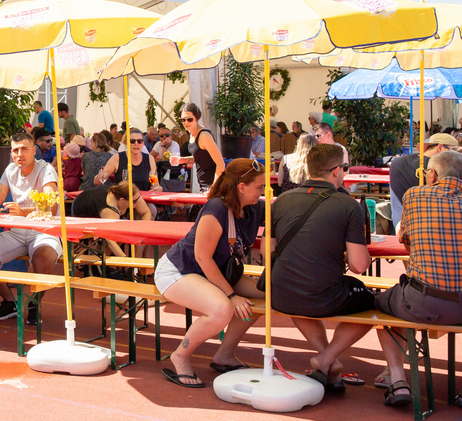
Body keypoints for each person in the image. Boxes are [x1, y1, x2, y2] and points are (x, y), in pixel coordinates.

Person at [268, 144, 374, 394]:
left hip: (282, 293)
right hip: (322, 296)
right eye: (345, 168)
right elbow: (359, 266)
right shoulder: (347, 204)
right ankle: (325, 359)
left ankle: (330, 363)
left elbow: (268, 251)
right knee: (374, 304)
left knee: (302, 298)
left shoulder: (281, 200)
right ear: (336, 171)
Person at [154, 159, 266, 387]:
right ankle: (180, 356)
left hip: (217, 273)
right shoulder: (217, 208)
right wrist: (231, 295)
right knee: (222, 309)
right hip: (179, 271)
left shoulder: (256, 208)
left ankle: (224, 355)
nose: (263, 191)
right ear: (241, 187)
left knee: (265, 295)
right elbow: (203, 258)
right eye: (260, 187)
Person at [374, 150, 462, 407]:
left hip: (424, 301)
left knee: (381, 305)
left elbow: (406, 242)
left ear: (432, 174)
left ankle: (398, 380)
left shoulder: (415, 196)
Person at [0, 132, 63, 324]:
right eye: (15, 150)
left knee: (42, 259)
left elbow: (51, 207)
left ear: (34, 151)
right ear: (11, 153)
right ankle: (10, 302)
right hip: (18, 231)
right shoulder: (10, 169)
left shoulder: (45, 169)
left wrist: (23, 211)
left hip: (45, 230)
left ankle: (35, 303)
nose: (20, 154)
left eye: (24, 149)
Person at [388, 133, 458, 228]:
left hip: (398, 223)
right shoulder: (438, 168)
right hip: (427, 225)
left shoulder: (397, 162)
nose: (455, 156)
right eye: (453, 151)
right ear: (440, 147)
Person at [95, 127, 160, 220]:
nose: (136, 144)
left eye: (139, 141)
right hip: (123, 201)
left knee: (150, 209)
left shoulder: (149, 159)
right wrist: (101, 175)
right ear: (127, 143)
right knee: (148, 212)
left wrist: (158, 188)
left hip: (143, 201)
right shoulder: (118, 158)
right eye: (132, 141)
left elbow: (156, 184)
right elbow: (97, 182)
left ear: (143, 143)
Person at [72, 181, 136, 257]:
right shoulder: (110, 212)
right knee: (119, 234)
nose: (136, 202)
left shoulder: (117, 192)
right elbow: (111, 241)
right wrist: (127, 261)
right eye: (134, 201)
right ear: (122, 200)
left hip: (88, 202)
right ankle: (100, 259)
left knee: (124, 229)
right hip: (79, 213)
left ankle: (98, 255)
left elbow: (146, 211)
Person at [178, 103, 225, 191]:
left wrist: (213, 188)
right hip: (204, 185)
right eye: (183, 120)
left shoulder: (204, 135)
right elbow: (201, 156)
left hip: (212, 186)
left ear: (197, 118)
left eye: (189, 119)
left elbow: (220, 163)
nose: (186, 122)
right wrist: (183, 160)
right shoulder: (192, 134)